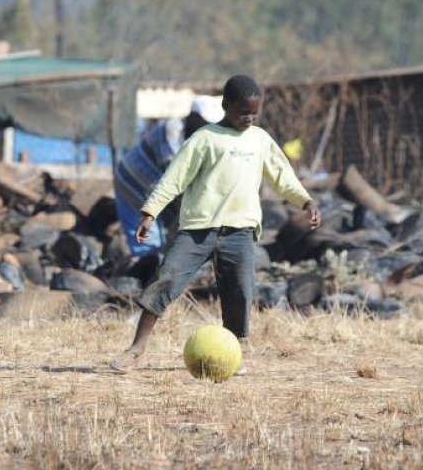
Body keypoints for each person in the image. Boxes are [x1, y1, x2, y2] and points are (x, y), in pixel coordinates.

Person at [112, 75, 321, 373]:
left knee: (240, 291)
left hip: (240, 230)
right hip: (199, 229)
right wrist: (150, 213)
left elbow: (282, 176)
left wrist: (305, 200)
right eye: (242, 112)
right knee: (166, 278)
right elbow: (173, 179)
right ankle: (137, 348)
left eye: (254, 113)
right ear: (225, 105)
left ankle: (234, 354)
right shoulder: (203, 139)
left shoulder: (259, 140)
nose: (248, 118)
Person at [114, 97, 223, 256]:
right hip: (133, 184)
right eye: (205, 124)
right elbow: (176, 173)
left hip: (154, 190)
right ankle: (143, 275)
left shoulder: (201, 140)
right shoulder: (173, 130)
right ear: (193, 117)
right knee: (148, 247)